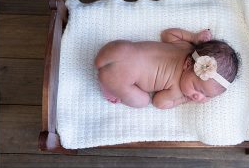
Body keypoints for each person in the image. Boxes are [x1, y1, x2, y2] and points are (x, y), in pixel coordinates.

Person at [95, 27, 239, 108]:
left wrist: (193, 37)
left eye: (207, 96)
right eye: (197, 88)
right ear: (188, 64)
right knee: (142, 101)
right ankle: (109, 84)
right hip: (121, 76)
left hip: (119, 48)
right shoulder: (177, 90)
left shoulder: (185, 46)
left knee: (113, 57)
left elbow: (167, 34)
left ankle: (105, 68)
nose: (198, 97)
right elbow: (159, 102)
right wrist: (184, 99)